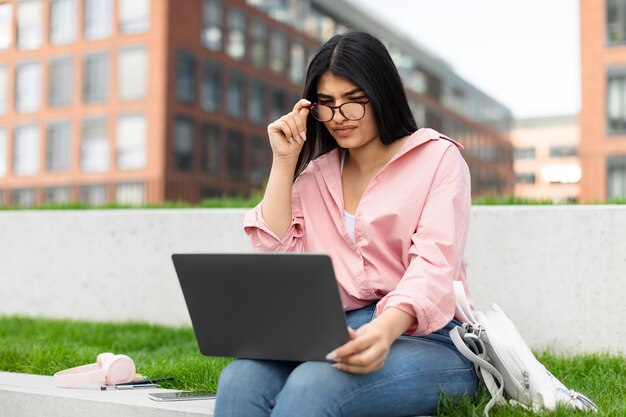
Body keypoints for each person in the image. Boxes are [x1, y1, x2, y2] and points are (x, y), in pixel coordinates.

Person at [214, 31, 478, 417]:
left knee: (313, 387)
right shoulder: (315, 175)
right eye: (326, 104)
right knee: (239, 381)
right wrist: (285, 160)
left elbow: (434, 267)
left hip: (430, 337)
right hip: (335, 331)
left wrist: (385, 329)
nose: (338, 118)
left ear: (383, 94)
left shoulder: (438, 159)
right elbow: (279, 260)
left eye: (354, 102)